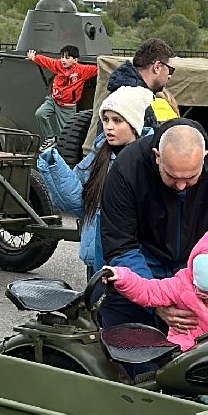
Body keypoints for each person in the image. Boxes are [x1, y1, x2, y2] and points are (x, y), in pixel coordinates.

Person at [100, 120, 208, 332]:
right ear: (157, 157)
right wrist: (156, 303)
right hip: (144, 263)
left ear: (203, 159)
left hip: (197, 268)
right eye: (172, 177)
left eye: (191, 177)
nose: (181, 186)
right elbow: (120, 245)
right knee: (127, 339)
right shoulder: (127, 167)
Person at [35, 86, 151, 279]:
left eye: (117, 120)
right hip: (96, 260)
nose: (108, 126)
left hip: (130, 262)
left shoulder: (147, 161)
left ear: (134, 123)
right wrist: (55, 168)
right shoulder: (99, 154)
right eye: (105, 120)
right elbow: (78, 203)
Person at [101, 227, 208, 351]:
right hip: (184, 351)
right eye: (201, 290)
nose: (206, 296)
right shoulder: (180, 285)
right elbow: (147, 290)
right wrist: (121, 277)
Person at [27, 45, 98, 143]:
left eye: (67, 58)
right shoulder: (59, 65)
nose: (63, 60)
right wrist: (34, 58)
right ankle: (50, 137)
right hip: (54, 100)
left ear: (75, 60)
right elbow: (48, 62)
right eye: (62, 57)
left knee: (65, 132)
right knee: (40, 114)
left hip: (67, 107)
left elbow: (98, 69)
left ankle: (61, 149)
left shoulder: (82, 70)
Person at [106, 37, 176, 124]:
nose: (169, 76)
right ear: (157, 67)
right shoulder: (136, 101)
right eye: (170, 70)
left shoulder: (121, 92)